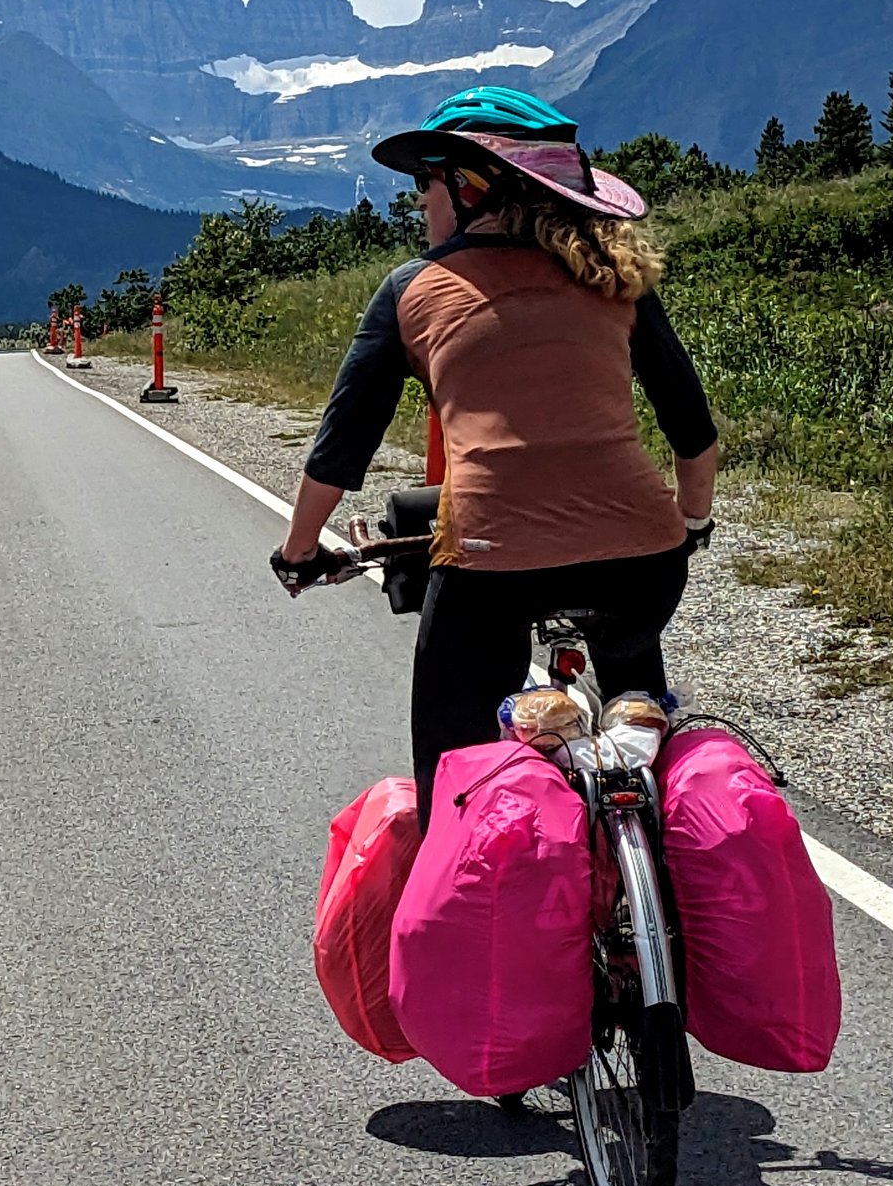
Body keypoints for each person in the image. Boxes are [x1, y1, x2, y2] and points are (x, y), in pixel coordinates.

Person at [270, 86, 719, 822]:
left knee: (453, 769)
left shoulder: (412, 289)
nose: (419, 205)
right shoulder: (616, 276)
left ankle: (466, 870)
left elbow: (339, 452)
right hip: (643, 566)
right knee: (641, 718)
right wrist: (690, 525)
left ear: (470, 186)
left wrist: (298, 555)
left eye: (425, 185)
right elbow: (692, 434)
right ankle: (663, 876)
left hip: (491, 569)